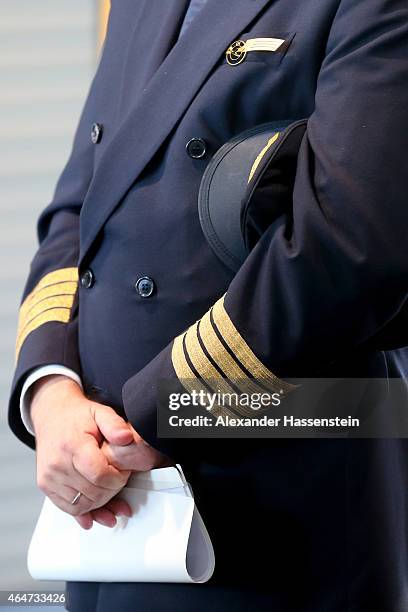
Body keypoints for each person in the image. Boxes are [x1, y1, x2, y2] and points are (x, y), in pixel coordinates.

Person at [8, 0, 408, 610]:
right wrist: (51, 391)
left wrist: (158, 409)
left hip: (282, 504)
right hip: (111, 507)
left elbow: (353, 246)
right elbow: (79, 209)